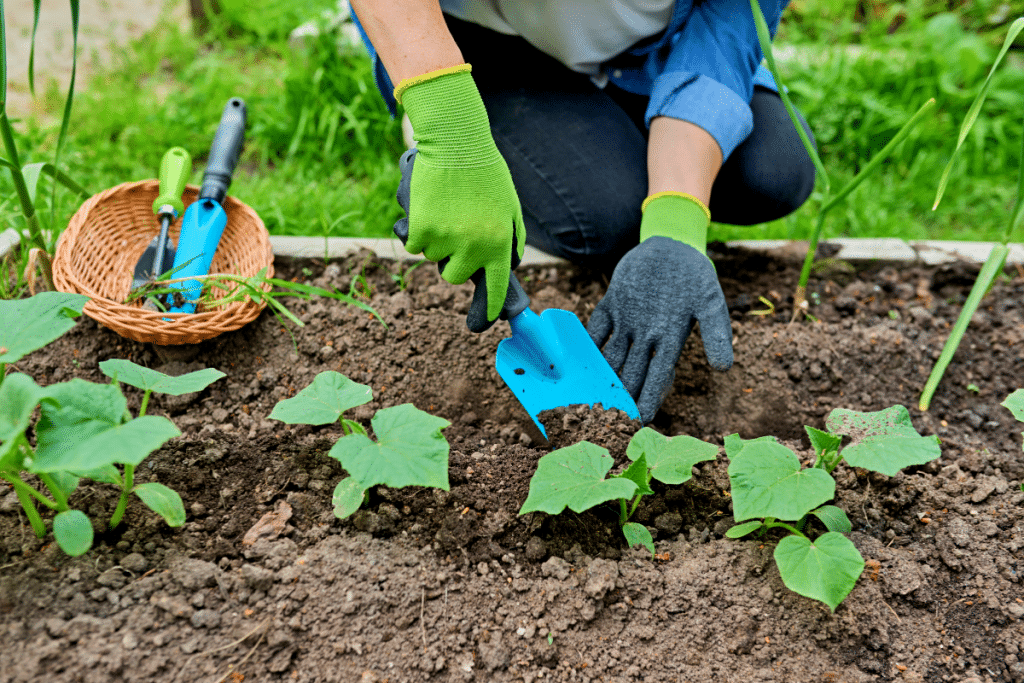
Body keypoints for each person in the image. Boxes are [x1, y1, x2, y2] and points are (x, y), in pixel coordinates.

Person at [348, 0, 816, 424]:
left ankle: (609, 123)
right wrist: (450, 133)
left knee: (775, 170)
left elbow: (727, 30)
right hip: (484, 43)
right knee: (604, 221)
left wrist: (674, 222)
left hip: (646, 51)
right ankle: (464, 115)